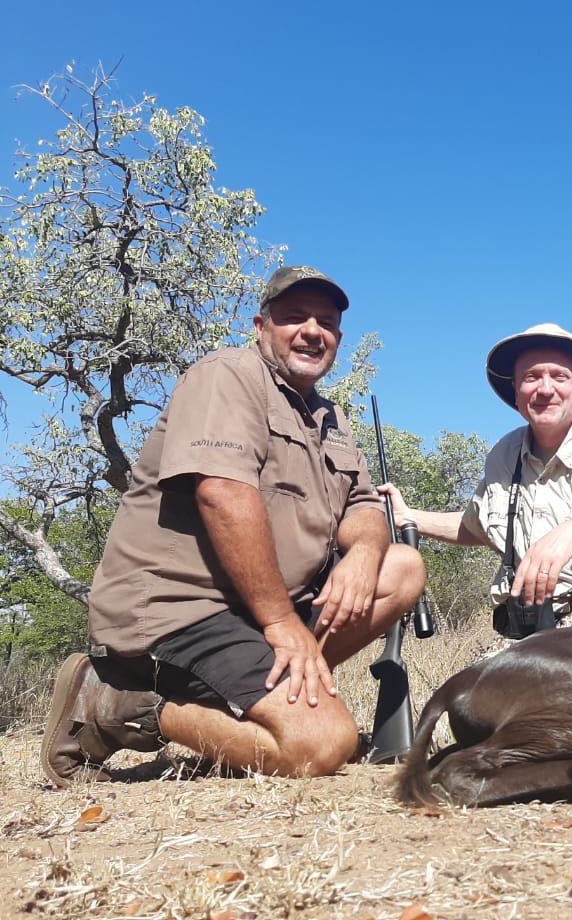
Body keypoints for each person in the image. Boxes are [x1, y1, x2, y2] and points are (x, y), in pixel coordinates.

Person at [42, 266, 426, 787]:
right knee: (320, 746)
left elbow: (364, 508)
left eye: (327, 322)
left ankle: (247, 715)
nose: (313, 331)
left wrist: (361, 555)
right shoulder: (227, 374)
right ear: (260, 326)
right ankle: (118, 703)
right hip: (182, 610)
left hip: (261, 612)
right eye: (294, 317)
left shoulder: (330, 417)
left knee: (399, 566)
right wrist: (280, 624)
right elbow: (221, 495)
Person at [380, 323, 572, 638]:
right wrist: (408, 517)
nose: (545, 389)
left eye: (560, 377)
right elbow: (474, 526)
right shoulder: (502, 457)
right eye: (531, 377)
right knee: (463, 688)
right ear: (517, 394)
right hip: (528, 632)